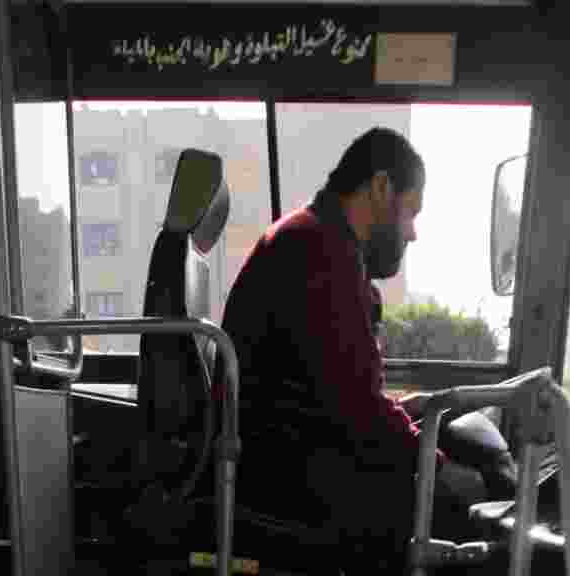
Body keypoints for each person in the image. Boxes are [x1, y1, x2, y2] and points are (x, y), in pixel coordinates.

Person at [218, 127, 512, 571]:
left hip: (291, 451)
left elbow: (337, 391)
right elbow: (357, 414)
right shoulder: (319, 251)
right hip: (289, 473)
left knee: (451, 451)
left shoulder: (316, 240)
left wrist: (414, 414)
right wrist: (441, 468)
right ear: (380, 188)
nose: (412, 233)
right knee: (471, 508)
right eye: (411, 212)